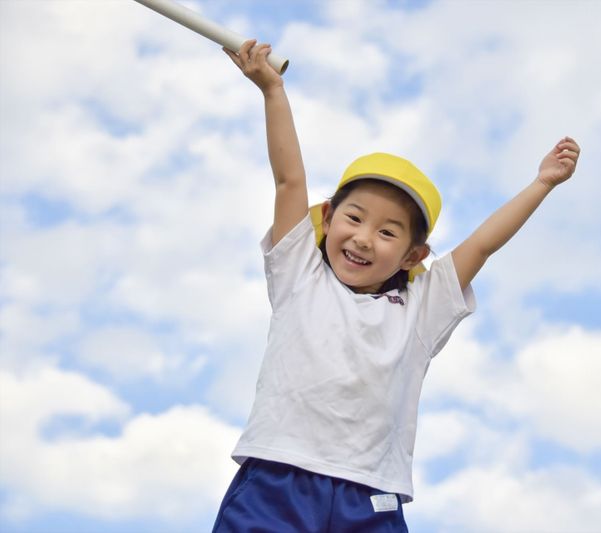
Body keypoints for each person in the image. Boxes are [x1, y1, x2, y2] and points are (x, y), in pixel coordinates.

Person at [213, 40, 580, 533]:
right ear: (327, 218)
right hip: (277, 479)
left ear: (412, 256)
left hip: (370, 494)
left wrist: (542, 183)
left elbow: (482, 246)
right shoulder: (299, 273)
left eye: (387, 232)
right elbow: (288, 182)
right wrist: (273, 92)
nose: (364, 238)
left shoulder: (420, 309)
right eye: (355, 218)